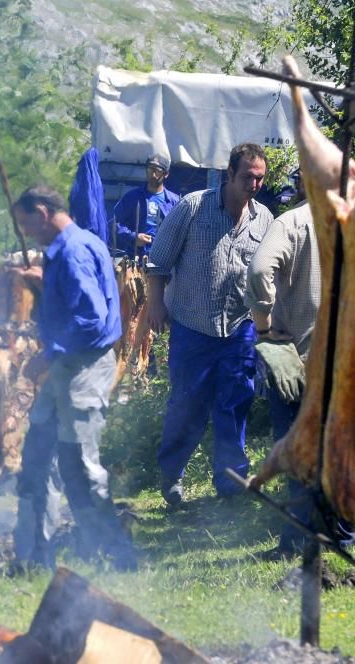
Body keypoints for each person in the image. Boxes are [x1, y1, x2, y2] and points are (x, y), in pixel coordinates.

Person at [10, 184, 137, 571]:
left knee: (81, 464)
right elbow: (78, 296)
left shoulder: (74, 251)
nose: (28, 232)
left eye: (27, 223)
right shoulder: (72, 246)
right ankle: (34, 554)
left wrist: (50, 353)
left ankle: (114, 555)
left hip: (83, 366)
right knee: (38, 453)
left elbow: (92, 320)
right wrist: (46, 282)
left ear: (44, 212)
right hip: (68, 364)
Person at [146, 143, 273, 506]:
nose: (254, 183)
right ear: (230, 173)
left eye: (260, 177)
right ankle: (172, 475)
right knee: (187, 404)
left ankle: (231, 481)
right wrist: (155, 303)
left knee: (235, 402)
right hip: (192, 325)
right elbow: (158, 261)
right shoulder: (193, 207)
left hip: (239, 328)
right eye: (248, 176)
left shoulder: (263, 219)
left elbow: (268, 275)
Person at [245, 195, 352, 556]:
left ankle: (296, 541)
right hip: (343, 366)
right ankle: (343, 538)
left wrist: (264, 327)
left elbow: (260, 270)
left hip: (299, 361)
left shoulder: (292, 223)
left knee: (298, 454)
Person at [110, 153, 181, 258]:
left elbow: (182, 232)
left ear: (166, 174)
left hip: (164, 260)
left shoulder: (175, 201)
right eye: (150, 169)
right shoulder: (132, 197)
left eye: (158, 170)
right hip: (135, 257)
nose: (153, 174)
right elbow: (114, 222)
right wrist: (133, 237)